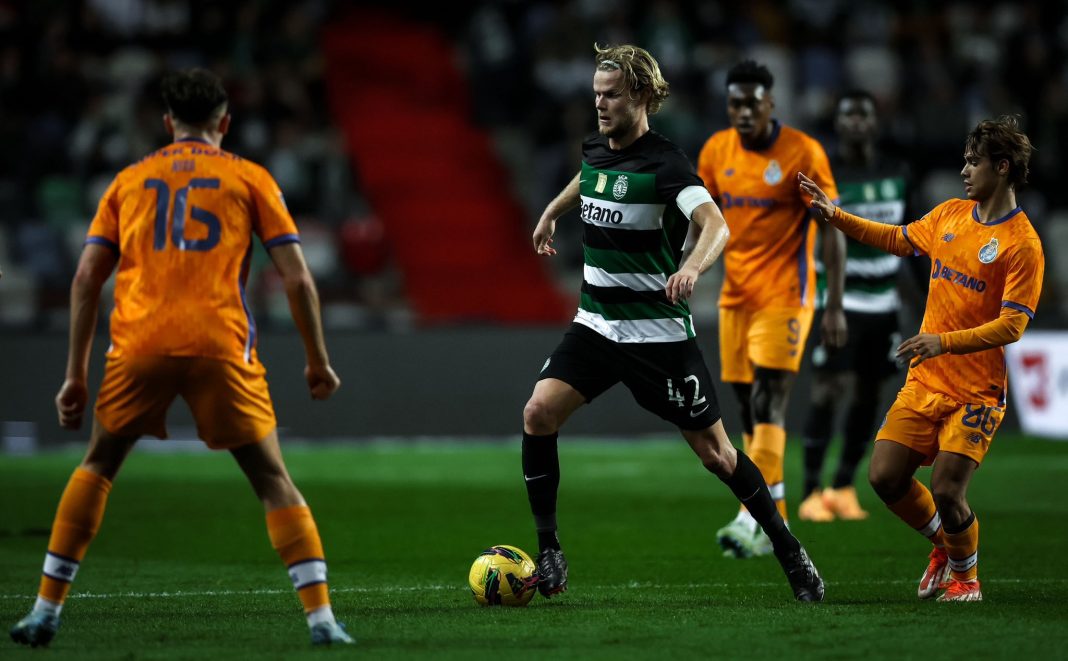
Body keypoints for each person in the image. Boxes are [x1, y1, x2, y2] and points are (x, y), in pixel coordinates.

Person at [9, 69, 354, 647]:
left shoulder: (128, 181)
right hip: (220, 344)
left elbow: (87, 278)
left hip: (139, 344)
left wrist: (74, 375)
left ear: (168, 123)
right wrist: (317, 360)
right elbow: (297, 278)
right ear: (225, 122)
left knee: (98, 464)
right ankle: (322, 621)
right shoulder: (249, 177)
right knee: (272, 479)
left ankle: (44, 611)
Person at [523, 43, 824, 603]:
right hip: (596, 325)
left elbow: (716, 225)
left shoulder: (667, 164)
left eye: (612, 95)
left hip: (657, 337)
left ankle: (788, 549)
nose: (600, 105)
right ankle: (549, 549)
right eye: (596, 95)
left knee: (718, 456)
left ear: (640, 95)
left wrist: (690, 268)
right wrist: (551, 212)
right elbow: (588, 176)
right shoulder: (596, 147)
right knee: (538, 413)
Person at [799, 114, 1044, 602]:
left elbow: (1013, 326)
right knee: (884, 476)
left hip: (976, 391)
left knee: (948, 490)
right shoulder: (950, 214)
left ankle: (967, 579)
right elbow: (897, 238)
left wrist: (943, 342)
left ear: (1002, 167)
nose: (964, 171)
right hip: (927, 381)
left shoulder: (1023, 245)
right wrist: (836, 216)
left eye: (973, 162)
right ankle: (945, 546)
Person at [696, 61, 847, 558]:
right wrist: (684, 265)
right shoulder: (716, 151)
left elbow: (831, 228)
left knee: (768, 402)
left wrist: (834, 305)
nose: (743, 112)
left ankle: (749, 518)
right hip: (736, 298)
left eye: (752, 104)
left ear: (770, 104)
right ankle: (773, 513)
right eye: (735, 104)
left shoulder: (803, 153)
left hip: (787, 296)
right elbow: (700, 220)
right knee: (746, 409)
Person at [797, 90, 914, 523]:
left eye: (864, 114)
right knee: (828, 389)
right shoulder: (825, 173)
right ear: (839, 123)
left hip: (884, 303)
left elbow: (914, 237)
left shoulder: (897, 171)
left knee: (870, 392)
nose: (857, 122)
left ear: (875, 122)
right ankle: (811, 492)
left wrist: (924, 297)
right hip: (838, 301)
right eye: (849, 115)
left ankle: (843, 486)